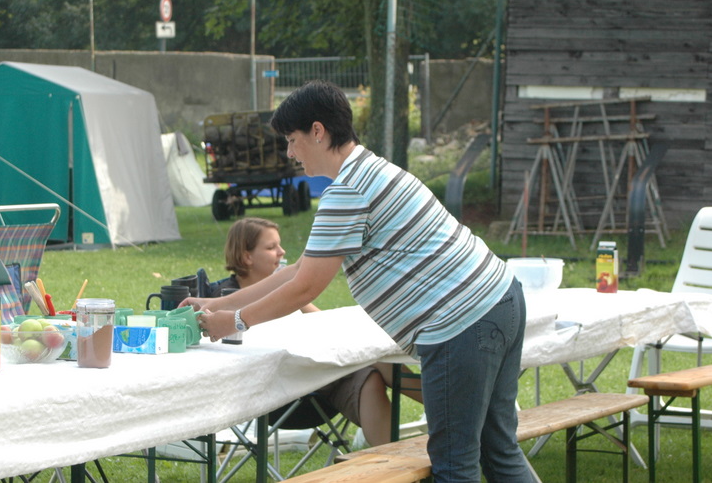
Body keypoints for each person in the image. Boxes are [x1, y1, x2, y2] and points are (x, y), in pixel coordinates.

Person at [185, 80, 531, 482]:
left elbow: (305, 287)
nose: (290, 153)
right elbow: (297, 270)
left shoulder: (347, 191)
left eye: (292, 141)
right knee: (499, 450)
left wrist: (235, 321)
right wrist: (216, 305)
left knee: (455, 466)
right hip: (502, 298)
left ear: (318, 131)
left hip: (461, 325)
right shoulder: (371, 169)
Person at [209, 216, 410, 447]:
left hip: (316, 377)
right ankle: (439, 404)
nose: (282, 252)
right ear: (247, 257)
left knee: (369, 373)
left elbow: (324, 322)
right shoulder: (225, 300)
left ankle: (391, 459)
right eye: (271, 247)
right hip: (270, 388)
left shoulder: (287, 293)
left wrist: (295, 299)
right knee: (376, 359)